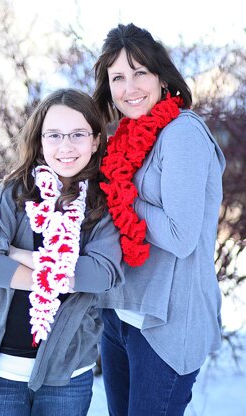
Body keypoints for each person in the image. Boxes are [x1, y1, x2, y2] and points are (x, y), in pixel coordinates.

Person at [93, 23, 226, 416]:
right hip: (121, 315)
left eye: (140, 73)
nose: (129, 86)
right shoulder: (130, 138)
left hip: (166, 324)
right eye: (118, 77)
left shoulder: (181, 133)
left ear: (161, 77)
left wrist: (120, 195)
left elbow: (181, 235)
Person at [0, 88, 124, 416]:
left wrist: (19, 256)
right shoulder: (14, 193)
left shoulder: (104, 204)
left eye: (78, 134)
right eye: (54, 135)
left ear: (96, 140)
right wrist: (59, 271)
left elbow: (101, 275)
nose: (65, 146)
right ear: (39, 140)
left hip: (66, 372)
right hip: (1, 371)